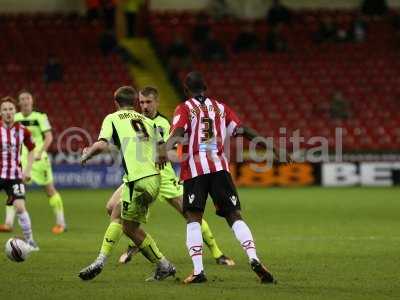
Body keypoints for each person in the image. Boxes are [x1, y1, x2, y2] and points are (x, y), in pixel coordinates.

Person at [159, 71, 286, 284]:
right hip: (220, 168)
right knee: (234, 215)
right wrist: (272, 148)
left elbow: (179, 131)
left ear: (185, 90)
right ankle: (253, 258)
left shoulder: (184, 108)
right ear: (206, 87)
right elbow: (243, 130)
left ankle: (199, 271)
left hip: (195, 170)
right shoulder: (221, 108)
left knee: (193, 219)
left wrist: (163, 150)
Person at [116, 86, 234, 266]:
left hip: (164, 178)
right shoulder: (136, 121)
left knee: (190, 213)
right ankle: (135, 243)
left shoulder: (164, 124)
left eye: (148, 102)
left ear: (157, 102)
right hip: (140, 177)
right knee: (114, 209)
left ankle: (218, 253)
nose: (145, 106)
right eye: (141, 102)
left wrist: (162, 154)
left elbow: (176, 154)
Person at [78, 86, 176, 281]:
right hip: (154, 180)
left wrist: (87, 154)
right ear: (134, 103)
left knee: (117, 215)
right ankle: (164, 265)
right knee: (127, 225)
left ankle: (100, 260)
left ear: (116, 102)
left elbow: (102, 144)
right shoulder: (148, 121)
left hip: (137, 180)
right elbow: (163, 149)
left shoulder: (112, 118)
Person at [11, 91, 66, 234]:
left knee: (49, 190)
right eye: (22, 99)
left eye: (27, 98)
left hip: (38, 158)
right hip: (21, 158)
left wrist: (41, 152)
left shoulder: (40, 117)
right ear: (19, 102)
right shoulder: (14, 117)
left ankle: (61, 223)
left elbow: (48, 137)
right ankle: (8, 223)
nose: (25, 101)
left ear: (32, 100)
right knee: (15, 187)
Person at [0, 97, 39, 250]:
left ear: (15, 111)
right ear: (1, 112)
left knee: (20, 207)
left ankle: (30, 241)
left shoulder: (22, 131)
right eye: (5, 109)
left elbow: (32, 149)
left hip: (14, 176)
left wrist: (28, 170)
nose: (8, 112)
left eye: (11, 109)